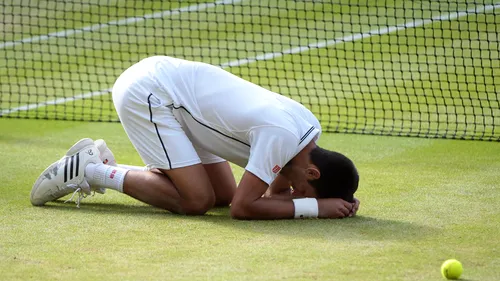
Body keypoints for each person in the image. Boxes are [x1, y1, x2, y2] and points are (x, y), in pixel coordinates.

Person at [31, 56, 360, 220]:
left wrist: (326, 200)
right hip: (151, 93)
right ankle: (90, 170)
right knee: (196, 201)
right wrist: (316, 208)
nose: (294, 192)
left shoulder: (307, 132)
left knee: (221, 194)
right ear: (312, 172)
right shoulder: (283, 138)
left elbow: (266, 194)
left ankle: (115, 167)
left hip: (178, 100)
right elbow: (244, 208)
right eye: (304, 189)